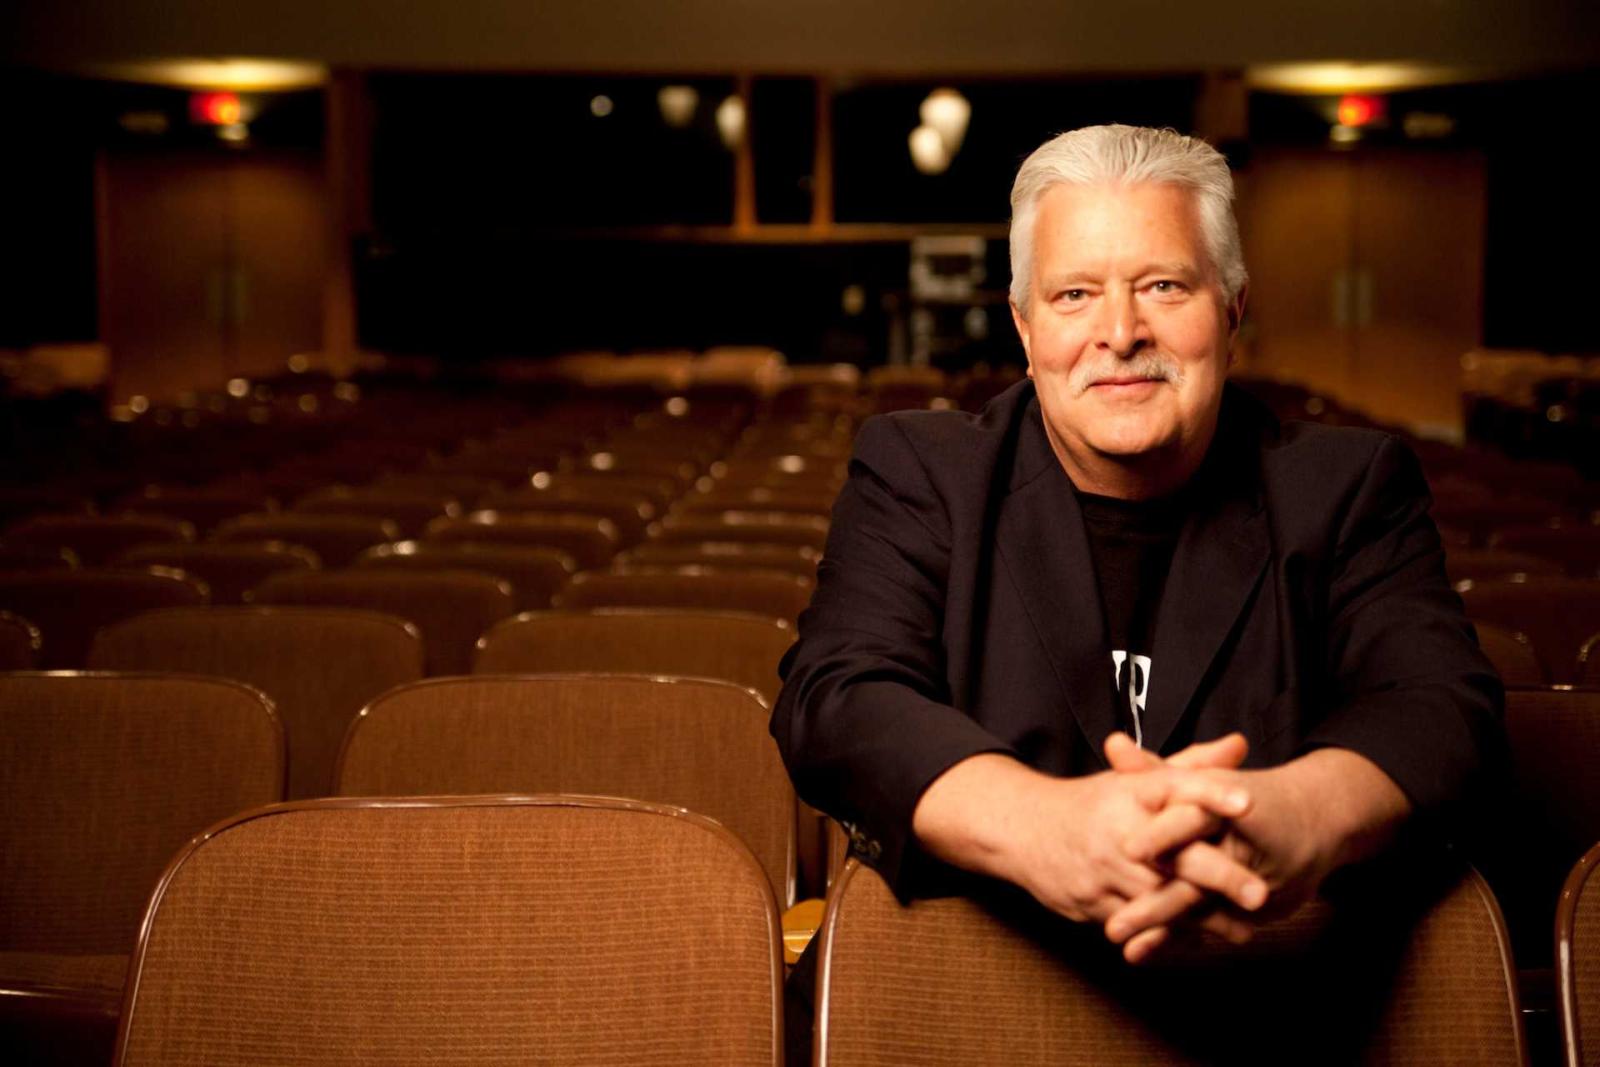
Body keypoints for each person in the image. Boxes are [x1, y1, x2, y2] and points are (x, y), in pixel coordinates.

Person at [772, 124, 1504, 1048]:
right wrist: (1046, 824)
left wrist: (1297, 813)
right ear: (1024, 325)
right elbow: (836, 698)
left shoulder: (1349, 488)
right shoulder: (922, 471)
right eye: (1075, 294)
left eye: (1163, 285)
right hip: (969, 1017)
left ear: (1234, 308)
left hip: (1280, 1016)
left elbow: (1444, 702)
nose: (1120, 333)